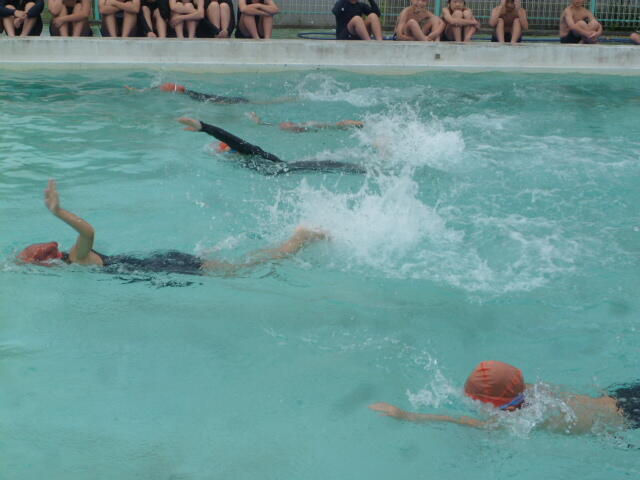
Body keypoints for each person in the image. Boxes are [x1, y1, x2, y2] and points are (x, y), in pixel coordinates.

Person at [19, 180, 327, 276]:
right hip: (160, 260)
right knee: (232, 262)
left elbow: (88, 232)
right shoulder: (76, 259)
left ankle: (298, 240)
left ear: (50, 261)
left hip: (165, 267)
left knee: (243, 269)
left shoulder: (78, 259)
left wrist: (58, 211)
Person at [369, 360, 638, 435]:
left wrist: (408, 416)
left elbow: (462, 421)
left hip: (630, 419)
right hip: (620, 396)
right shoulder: (532, 391)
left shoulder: (519, 419)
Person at [178, 116, 367, 175]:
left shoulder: (252, 153)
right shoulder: (246, 158)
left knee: (338, 166)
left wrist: (204, 127)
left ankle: (368, 167)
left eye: (223, 146)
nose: (220, 148)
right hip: (287, 169)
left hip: (287, 167)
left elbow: (233, 140)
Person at [126, 82, 250, 104]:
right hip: (190, 94)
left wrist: (137, 90)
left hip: (189, 94)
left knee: (218, 101)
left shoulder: (180, 91)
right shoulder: (187, 93)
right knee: (218, 100)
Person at [248, 112, 364, 133]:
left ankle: (360, 124)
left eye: (287, 123)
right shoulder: (303, 126)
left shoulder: (306, 126)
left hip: (312, 126)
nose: (284, 123)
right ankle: (359, 124)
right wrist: (259, 122)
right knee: (337, 125)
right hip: (310, 127)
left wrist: (259, 122)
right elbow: (271, 125)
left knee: (337, 125)